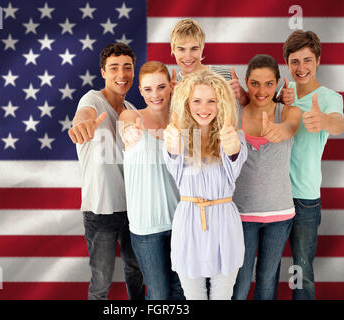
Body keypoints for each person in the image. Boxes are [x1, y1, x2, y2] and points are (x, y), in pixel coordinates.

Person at [68, 42, 144, 300]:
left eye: (127, 68)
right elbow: (84, 116)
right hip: (100, 208)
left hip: (133, 209)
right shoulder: (92, 100)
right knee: (101, 279)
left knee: (137, 272)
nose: (121, 75)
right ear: (103, 72)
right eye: (114, 68)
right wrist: (83, 124)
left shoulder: (133, 110)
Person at [163, 70, 247, 300]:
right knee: (193, 296)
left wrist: (232, 149)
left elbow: (234, 164)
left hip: (224, 224)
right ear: (187, 104)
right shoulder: (177, 137)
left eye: (212, 101)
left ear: (222, 104)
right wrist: (173, 146)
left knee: (223, 295)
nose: (204, 107)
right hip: (189, 223)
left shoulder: (234, 136)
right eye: (197, 101)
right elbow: (173, 162)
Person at [279, 30, 344, 300]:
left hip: (305, 198)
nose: (301, 68)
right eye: (295, 61)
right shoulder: (283, 92)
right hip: (273, 195)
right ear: (287, 63)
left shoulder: (330, 98)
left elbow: (338, 124)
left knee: (302, 269)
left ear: (317, 60)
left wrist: (324, 121)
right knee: (266, 268)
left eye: (307, 60)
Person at [231, 54, 302, 300]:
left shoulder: (288, 111)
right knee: (239, 284)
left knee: (267, 282)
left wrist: (279, 130)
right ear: (246, 83)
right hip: (241, 214)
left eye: (269, 84)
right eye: (255, 83)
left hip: (279, 214)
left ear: (278, 84)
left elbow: (291, 127)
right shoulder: (234, 113)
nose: (262, 91)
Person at [119, 61, 185, 300]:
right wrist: (130, 132)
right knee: (158, 294)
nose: (155, 94)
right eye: (148, 89)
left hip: (181, 222)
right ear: (139, 90)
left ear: (171, 87)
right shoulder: (132, 115)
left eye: (161, 87)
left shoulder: (184, 120)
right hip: (146, 227)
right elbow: (126, 124)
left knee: (181, 291)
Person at [169, 18, 248, 105]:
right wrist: (171, 103)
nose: (188, 57)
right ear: (173, 49)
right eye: (181, 49)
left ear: (202, 48)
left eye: (194, 48)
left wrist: (243, 97)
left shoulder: (225, 75)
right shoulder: (172, 87)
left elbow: (248, 109)